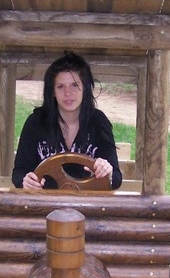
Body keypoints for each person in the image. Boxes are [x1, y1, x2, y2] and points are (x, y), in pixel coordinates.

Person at [12, 52, 123, 190]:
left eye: (74, 85)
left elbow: (116, 178)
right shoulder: (36, 122)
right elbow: (19, 173)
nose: (68, 93)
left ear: (85, 88)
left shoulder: (98, 122)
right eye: (60, 86)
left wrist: (107, 172)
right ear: (53, 91)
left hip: (88, 202)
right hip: (45, 202)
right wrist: (26, 181)